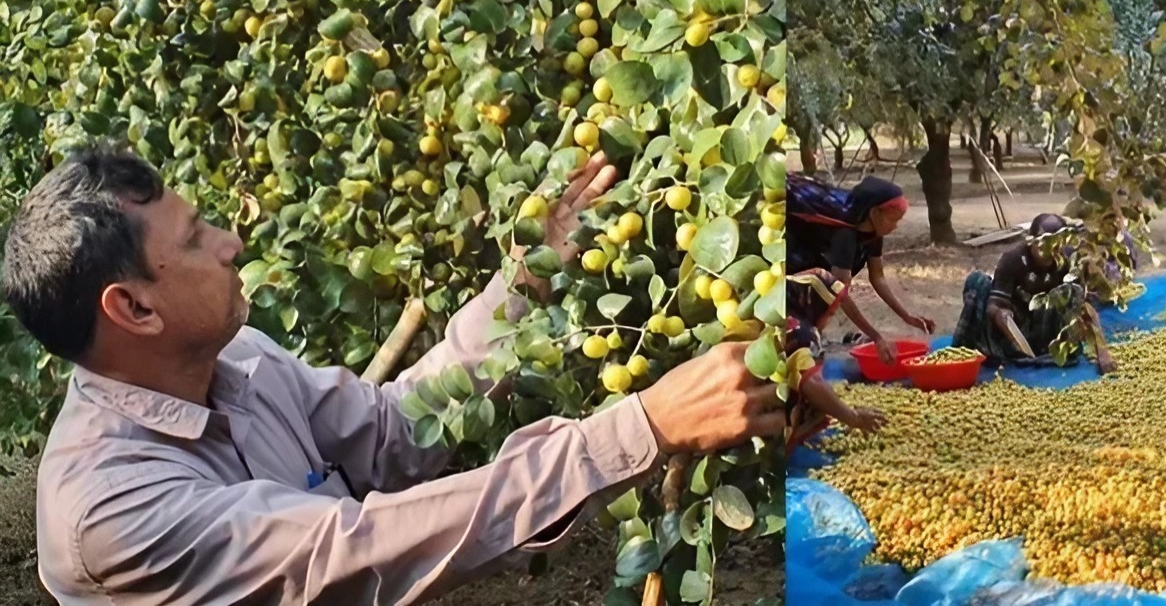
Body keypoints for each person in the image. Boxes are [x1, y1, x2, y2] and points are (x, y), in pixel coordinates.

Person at [3, 146, 784, 604]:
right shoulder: (108, 511)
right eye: (199, 237)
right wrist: (636, 429)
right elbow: (359, 548)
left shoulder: (237, 358)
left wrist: (525, 282)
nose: (233, 242)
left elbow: (392, 432)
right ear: (133, 309)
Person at [785, 174, 935, 363]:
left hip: (820, 276)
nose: (896, 226)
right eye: (893, 219)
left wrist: (907, 316)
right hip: (794, 271)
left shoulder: (873, 233)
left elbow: (878, 277)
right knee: (806, 327)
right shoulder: (845, 236)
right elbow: (840, 294)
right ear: (874, 213)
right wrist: (877, 337)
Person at [952, 214, 1118, 374]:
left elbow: (1085, 308)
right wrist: (1002, 316)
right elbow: (995, 304)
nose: (1045, 252)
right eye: (1040, 245)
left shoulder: (1068, 259)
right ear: (1030, 242)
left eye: (1052, 246)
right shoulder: (1013, 259)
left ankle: (1046, 350)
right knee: (977, 282)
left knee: (1074, 292)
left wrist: (1103, 353)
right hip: (1019, 318)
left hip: (1048, 324)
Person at [784, 268, 887, 454]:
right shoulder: (802, 332)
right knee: (816, 401)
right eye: (829, 314)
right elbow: (810, 382)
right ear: (815, 304)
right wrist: (852, 417)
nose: (828, 322)